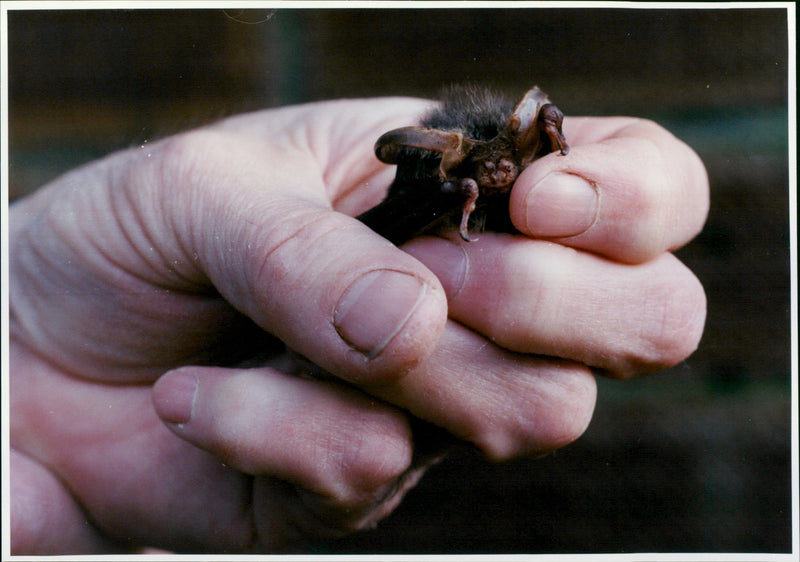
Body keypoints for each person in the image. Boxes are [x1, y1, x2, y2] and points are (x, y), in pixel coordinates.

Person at [8, 95, 709, 554]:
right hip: (423, 208)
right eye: (486, 171)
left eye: (508, 169)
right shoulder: (444, 173)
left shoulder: (516, 160)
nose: (497, 178)